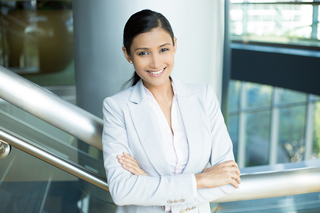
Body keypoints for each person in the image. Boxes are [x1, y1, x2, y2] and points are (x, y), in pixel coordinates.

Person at [102, 9, 241, 213]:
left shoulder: (204, 96)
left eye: (163, 49)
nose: (156, 62)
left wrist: (150, 184)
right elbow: (122, 190)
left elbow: (229, 180)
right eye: (143, 53)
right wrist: (201, 180)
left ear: (174, 45)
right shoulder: (117, 107)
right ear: (127, 54)